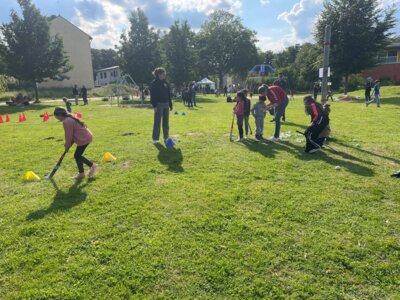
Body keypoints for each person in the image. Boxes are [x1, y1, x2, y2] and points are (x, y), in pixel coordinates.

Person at [53, 106, 97, 179]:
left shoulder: (66, 121)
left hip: (84, 138)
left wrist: (67, 145)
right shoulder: (69, 118)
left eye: (56, 117)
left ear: (60, 115)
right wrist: (68, 145)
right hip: (85, 137)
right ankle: (82, 173)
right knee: (77, 156)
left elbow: (68, 136)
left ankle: (92, 166)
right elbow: (72, 135)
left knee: (77, 156)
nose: (57, 119)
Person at [150, 67, 173, 145]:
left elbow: (168, 94)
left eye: (165, 74)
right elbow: (152, 96)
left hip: (166, 104)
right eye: (163, 74)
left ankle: (166, 137)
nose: (164, 75)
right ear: (159, 74)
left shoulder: (166, 83)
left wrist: (170, 104)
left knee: (166, 122)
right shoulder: (154, 83)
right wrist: (155, 105)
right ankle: (155, 139)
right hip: (158, 104)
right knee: (157, 122)